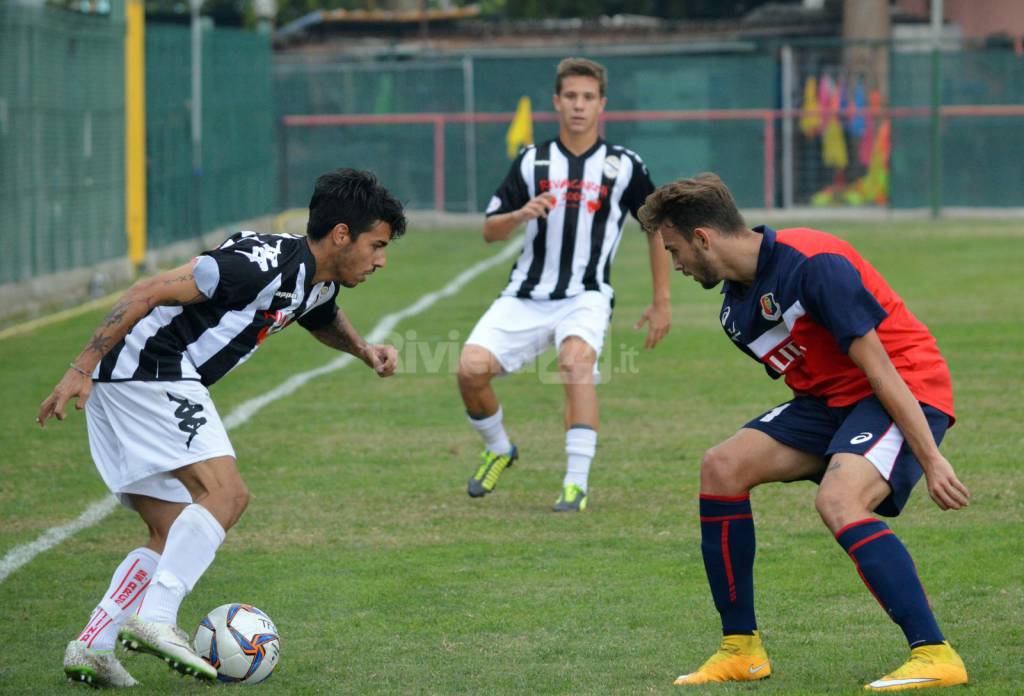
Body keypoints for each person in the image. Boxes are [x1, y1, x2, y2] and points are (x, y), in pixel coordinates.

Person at [37, 169, 406, 687]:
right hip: (152, 371)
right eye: (377, 245)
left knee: (170, 530)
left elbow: (322, 315)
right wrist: (79, 368)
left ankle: (94, 645)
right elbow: (147, 291)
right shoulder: (257, 266)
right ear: (341, 235)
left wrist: (365, 350)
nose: (381, 260)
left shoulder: (314, 280)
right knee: (226, 495)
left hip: (129, 382)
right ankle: (158, 620)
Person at [638, 173, 970, 691]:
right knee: (721, 466)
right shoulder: (735, 309)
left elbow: (880, 369)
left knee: (839, 500)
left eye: (674, 249)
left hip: (905, 384)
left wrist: (931, 459)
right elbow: (812, 379)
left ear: (703, 238)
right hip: (832, 402)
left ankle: (935, 653)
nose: (674, 264)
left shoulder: (812, 261)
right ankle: (740, 649)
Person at [458, 57, 672, 512]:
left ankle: (575, 484)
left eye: (588, 97)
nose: (579, 106)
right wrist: (518, 214)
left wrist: (661, 301)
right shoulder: (532, 161)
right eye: (571, 97)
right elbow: (490, 231)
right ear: (556, 102)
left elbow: (656, 228)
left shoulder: (624, 165)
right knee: (470, 370)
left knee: (575, 365)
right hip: (525, 294)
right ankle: (498, 448)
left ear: (602, 105)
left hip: (586, 294)